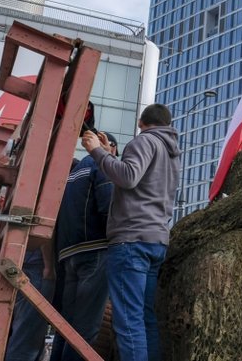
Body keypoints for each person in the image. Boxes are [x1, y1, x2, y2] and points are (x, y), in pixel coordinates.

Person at [81, 104, 181, 361]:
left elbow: (128, 177)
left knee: (128, 322)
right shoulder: (170, 152)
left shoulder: (143, 141)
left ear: (140, 121)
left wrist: (97, 152)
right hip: (155, 241)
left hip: (131, 241)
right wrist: (109, 152)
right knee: (146, 319)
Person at [51, 133, 116, 361]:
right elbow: (109, 209)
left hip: (68, 254)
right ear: (112, 149)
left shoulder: (72, 174)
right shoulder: (101, 164)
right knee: (85, 330)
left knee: (66, 327)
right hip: (95, 251)